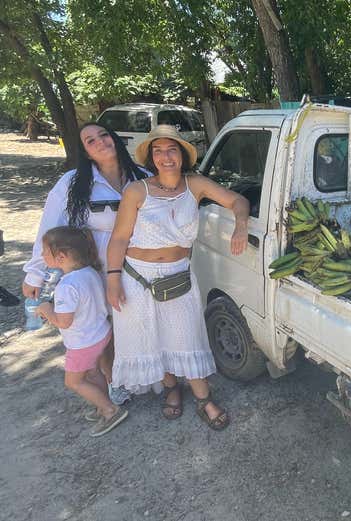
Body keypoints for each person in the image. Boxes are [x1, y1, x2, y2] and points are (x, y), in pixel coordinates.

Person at [106, 124, 249, 430]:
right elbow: (119, 239)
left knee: (185, 337)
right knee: (152, 337)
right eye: (158, 151)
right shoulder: (136, 191)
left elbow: (239, 201)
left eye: (171, 149)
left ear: (182, 154)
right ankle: (171, 388)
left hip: (177, 275)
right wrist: (113, 278)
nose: (165, 157)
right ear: (151, 157)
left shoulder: (195, 185)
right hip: (136, 276)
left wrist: (240, 224)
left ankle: (203, 399)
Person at [22, 122, 148, 404]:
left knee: (136, 325)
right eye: (90, 141)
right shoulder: (72, 183)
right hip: (96, 272)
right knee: (103, 331)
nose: (100, 142)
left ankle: (146, 375)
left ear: (114, 138)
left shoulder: (143, 176)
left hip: (139, 268)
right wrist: (34, 274)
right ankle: (115, 382)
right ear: (85, 152)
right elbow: (49, 228)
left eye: (104, 134)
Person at [35, 226, 128, 437]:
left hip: (82, 343)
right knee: (93, 372)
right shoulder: (90, 272)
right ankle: (102, 403)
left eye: (44, 252)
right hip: (100, 334)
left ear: (61, 256)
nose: (41, 255)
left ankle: (109, 410)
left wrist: (46, 310)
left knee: (73, 381)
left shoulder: (66, 286)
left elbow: (64, 322)